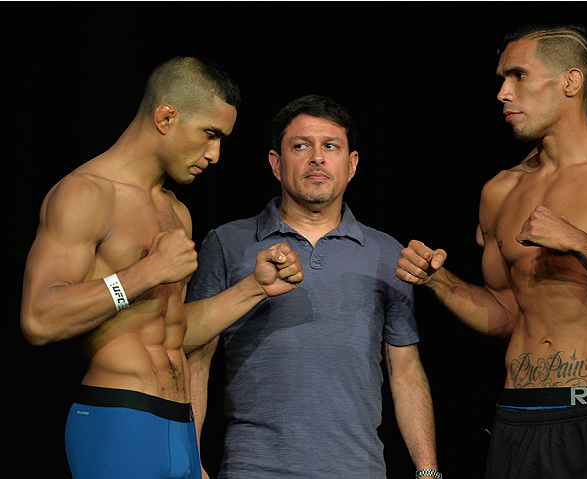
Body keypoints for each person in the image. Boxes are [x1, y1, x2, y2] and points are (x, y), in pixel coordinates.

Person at [397, 24, 587, 479]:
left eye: (518, 76)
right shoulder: (500, 190)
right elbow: (507, 314)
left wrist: (578, 242)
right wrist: (439, 281)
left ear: (570, 82)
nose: (503, 93)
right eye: (501, 81)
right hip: (517, 416)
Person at [20, 56, 303, 479]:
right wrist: (145, 273)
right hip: (118, 422)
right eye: (210, 135)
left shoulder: (176, 211)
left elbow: (173, 329)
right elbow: (39, 318)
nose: (215, 154)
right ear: (166, 116)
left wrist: (254, 289)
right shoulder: (84, 194)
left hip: (180, 427)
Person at [185, 94, 441, 479]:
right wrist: (190, 461)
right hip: (253, 468)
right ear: (276, 163)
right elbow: (194, 358)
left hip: (358, 469)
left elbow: (404, 370)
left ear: (351, 165)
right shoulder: (227, 242)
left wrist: (428, 471)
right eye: (301, 146)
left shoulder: (388, 252)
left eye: (331, 147)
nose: (317, 158)